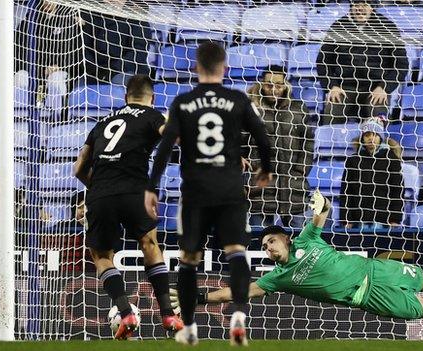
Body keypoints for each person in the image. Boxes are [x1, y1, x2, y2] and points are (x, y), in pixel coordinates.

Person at [170, 191, 423, 334]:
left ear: (286, 238)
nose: (267, 248)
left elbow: (323, 211)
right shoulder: (277, 278)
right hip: (369, 297)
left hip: (376, 268)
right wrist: (199, 299)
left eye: (271, 240)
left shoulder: (308, 238)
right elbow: (238, 291)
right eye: (263, 246)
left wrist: (319, 204)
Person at [144, 42, 273, 346]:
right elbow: (262, 136)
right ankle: (239, 315)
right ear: (224, 68)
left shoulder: (184, 101)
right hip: (230, 189)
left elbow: (165, 148)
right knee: (236, 252)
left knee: (189, 259)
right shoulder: (238, 99)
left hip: (196, 193)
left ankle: (189, 327)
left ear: (195, 67)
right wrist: (264, 169)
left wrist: (151, 186)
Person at [73, 74, 183, 339]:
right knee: (150, 245)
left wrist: (99, 189)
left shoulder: (103, 122)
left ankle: (126, 313)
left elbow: (78, 168)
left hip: (100, 194)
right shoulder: (151, 115)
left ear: (124, 97)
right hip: (135, 191)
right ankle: (168, 315)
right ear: (152, 97)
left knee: (101, 257)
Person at [316, 0, 408, 125]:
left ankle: (380, 143)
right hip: (345, 87)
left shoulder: (387, 26)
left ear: (372, 7)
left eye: (364, 4)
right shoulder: (338, 26)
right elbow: (323, 61)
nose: (360, 8)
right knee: (333, 110)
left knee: (378, 118)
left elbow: (401, 64)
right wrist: (332, 86)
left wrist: (384, 88)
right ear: (351, 7)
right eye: (356, 5)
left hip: (375, 88)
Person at [246, 65, 314, 229]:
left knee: (300, 244)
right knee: (259, 244)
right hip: (260, 189)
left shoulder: (298, 109)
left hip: (293, 188)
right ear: (262, 84)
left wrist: (301, 169)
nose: (274, 89)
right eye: (269, 85)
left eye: (278, 85)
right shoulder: (251, 109)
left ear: (286, 85)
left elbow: (308, 142)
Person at [340, 117, 403, 229]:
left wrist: (395, 219)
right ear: (362, 138)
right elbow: (346, 192)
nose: (371, 138)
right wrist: (346, 219)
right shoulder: (353, 161)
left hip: (384, 220)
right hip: (358, 220)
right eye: (367, 135)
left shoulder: (392, 160)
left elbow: (397, 191)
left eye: (374, 134)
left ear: (380, 137)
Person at [79, 1, 151, 84]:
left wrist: (114, 69)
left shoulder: (136, 16)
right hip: (95, 72)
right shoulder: (93, 14)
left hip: (127, 71)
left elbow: (139, 52)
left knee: (119, 82)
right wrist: (93, 69)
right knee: (79, 87)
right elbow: (83, 47)